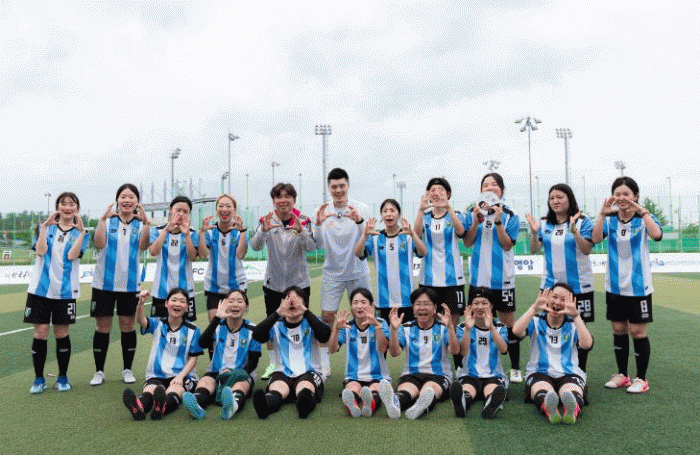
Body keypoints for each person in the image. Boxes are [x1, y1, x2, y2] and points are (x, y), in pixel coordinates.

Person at [592, 176, 662, 393]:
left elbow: (657, 235)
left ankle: (641, 379)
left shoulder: (644, 217)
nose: (621, 198)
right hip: (614, 286)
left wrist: (643, 212)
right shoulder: (610, 219)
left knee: (638, 332)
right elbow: (595, 239)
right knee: (619, 330)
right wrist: (601, 214)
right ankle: (623, 375)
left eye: (626, 194)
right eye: (617, 194)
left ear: (635, 195)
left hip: (639, 287)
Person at [524, 183, 594, 371]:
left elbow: (587, 249)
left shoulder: (583, 221)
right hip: (550, 287)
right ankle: (549, 370)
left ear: (570, 199)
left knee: (579, 330)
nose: (555, 201)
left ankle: (579, 373)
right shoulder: (544, 222)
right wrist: (534, 233)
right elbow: (534, 250)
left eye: (560, 197)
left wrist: (574, 231)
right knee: (549, 327)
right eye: (551, 198)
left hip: (579, 286)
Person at [251, 183, 317, 379]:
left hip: (299, 285)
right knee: (272, 325)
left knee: (301, 323)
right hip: (273, 284)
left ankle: (304, 362)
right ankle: (274, 364)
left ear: (294, 200)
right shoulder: (265, 220)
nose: (283, 200)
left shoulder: (304, 220)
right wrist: (263, 231)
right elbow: (255, 246)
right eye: (278, 197)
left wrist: (302, 231)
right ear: (274, 201)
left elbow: (312, 247)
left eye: (287, 196)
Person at [25, 192, 89, 393]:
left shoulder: (82, 233)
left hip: (66, 291)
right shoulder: (43, 227)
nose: (68, 207)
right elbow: (40, 251)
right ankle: (39, 379)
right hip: (40, 290)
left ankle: (62, 377)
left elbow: (72, 255)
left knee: (62, 333)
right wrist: (44, 227)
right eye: (63, 203)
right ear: (57, 207)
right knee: (41, 331)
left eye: (72, 204)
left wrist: (82, 232)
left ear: (77, 208)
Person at [89, 184, 151, 386]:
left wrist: (147, 223)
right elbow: (98, 243)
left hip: (129, 285)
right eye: (123, 196)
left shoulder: (140, 224)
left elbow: (144, 246)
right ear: (117, 200)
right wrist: (101, 220)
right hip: (103, 284)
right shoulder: (108, 221)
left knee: (127, 326)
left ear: (137, 202)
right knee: (102, 326)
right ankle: (99, 371)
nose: (127, 200)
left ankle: (127, 370)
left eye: (131, 197)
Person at [463, 173, 522, 382]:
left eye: (494, 184)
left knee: (508, 325)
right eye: (485, 185)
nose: (490, 188)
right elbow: (468, 242)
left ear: (502, 190)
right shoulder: (473, 211)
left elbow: (507, 245)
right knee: (476, 323)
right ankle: (471, 366)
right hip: (478, 280)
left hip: (502, 279)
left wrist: (498, 222)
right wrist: (474, 222)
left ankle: (515, 368)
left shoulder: (511, 214)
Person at [313, 168, 370, 377]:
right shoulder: (321, 210)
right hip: (332, 273)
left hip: (358, 271)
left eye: (342, 186)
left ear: (348, 186)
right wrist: (318, 224)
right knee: (327, 316)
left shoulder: (361, 208)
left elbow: (367, 238)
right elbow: (318, 244)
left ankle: (365, 361)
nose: (338, 190)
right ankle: (324, 363)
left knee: (364, 315)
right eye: (334, 187)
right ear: (329, 188)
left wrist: (359, 221)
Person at [512, 285, 593, 424]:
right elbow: (516, 331)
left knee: (571, 392)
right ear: (547, 298)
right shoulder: (536, 320)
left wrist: (576, 315)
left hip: (569, 373)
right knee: (542, 390)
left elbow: (587, 345)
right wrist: (534, 308)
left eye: (563, 299)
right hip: (540, 372)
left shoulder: (574, 323)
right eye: (554, 297)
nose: (557, 302)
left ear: (571, 302)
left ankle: (572, 410)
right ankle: (550, 409)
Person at [379, 287, 460, 420]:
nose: (422, 308)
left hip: (438, 375)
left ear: (434, 308)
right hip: (411, 374)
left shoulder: (443, 328)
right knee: (406, 391)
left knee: (429, 390)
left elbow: (455, 350)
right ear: (413, 308)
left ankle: (419, 406)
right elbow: (394, 352)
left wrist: (450, 327)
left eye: (426, 304)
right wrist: (393, 330)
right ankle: (395, 403)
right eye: (418, 304)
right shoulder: (405, 328)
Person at [122, 288, 203, 420]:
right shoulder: (158, 323)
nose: (177, 304)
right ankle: (138, 407)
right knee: (150, 392)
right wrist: (141, 303)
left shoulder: (193, 330)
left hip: (181, 376)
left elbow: (193, 359)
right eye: (174, 300)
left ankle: (161, 407)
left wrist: (181, 376)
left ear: (187, 307)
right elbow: (141, 321)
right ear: (166, 303)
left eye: (182, 301)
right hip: (157, 374)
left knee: (173, 391)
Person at [251, 286, 331, 419]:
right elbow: (257, 335)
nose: (292, 302)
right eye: (287, 298)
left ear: (304, 303)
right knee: (277, 390)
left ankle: (304, 406)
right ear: (281, 304)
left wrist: (305, 311)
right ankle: (264, 406)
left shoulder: (312, 321)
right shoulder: (276, 324)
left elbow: (325, 336)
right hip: (282, 372)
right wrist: (277, 313)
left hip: (309, 372)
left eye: (297, 298)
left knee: (305, 389)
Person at [182, 290, 261, 420]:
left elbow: (253, 361)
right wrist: (217, 317)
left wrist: (237, 373)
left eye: (240, 301)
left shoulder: (253, 329)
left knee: (240, 386)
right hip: (216, 371)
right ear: (224, 305)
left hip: (241, 373)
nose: (235, 304)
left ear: (246, 306)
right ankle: (196, 405)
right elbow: (202, 343)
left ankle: (232, 406)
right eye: (231, 301)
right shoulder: (217, 326)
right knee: (205, 382)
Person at [355, 198, 427, 323]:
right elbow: (358, 253)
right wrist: (365, 235)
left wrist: (413, 234)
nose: (388, 214)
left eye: (392, 210)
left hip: (406, 299)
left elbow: (423, 252)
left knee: (406, 333)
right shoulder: (375, 238)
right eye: (385, 211)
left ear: (399, 214)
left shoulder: (407, 236)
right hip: (383, 299)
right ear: (381, 216)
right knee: (384, 334)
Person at [328, 288, 390, 417]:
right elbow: (332, 349)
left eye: (363, 302)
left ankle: (370, 404)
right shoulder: (347, 326)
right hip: (354, 376)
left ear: (371, 305)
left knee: (374, 389)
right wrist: (336, 329)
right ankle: (353, 406)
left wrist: (377, 326)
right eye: (355, 303)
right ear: (351, 306)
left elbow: (383, 347)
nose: (359, 306)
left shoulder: (381, 323)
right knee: (353, 389)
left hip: (377, 376)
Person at [450, 287, 509, 419]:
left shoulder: (500, 327)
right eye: (476, 303)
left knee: (491, 389)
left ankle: (491, 403)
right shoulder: (462, 327)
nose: (480, 307)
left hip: (493, 374)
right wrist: (468, 329)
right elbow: (462, 352)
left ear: (491, 306)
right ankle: (462, 402)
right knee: (467, 390)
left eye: (484, 303)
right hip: (468, 374)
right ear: (470, 307)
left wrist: (491, 328)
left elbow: (504, 349)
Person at [146, 195, 199, 321]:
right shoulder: (157, 231)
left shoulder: (192, 233)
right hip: (161, 290)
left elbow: (192, 257)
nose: (181, 214)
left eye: (185, 212)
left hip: (185, 291)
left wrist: (187, 235)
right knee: (159, 328)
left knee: (186, 328)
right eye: (178, 210)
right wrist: (166, 230)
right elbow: (153, 251)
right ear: (170, 210)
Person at [199, 194, 247, 323]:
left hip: (236, 286)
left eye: (228, 206)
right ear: (216, 210)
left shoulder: (240, 231)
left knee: (233, 326)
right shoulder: (209, 231)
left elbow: (241, 254)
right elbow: (202, 255)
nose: (224, 209)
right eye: (221, 206)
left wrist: (242, 232)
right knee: (214, 326)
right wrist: (202, 233)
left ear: (234, 210)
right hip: (213, 287)